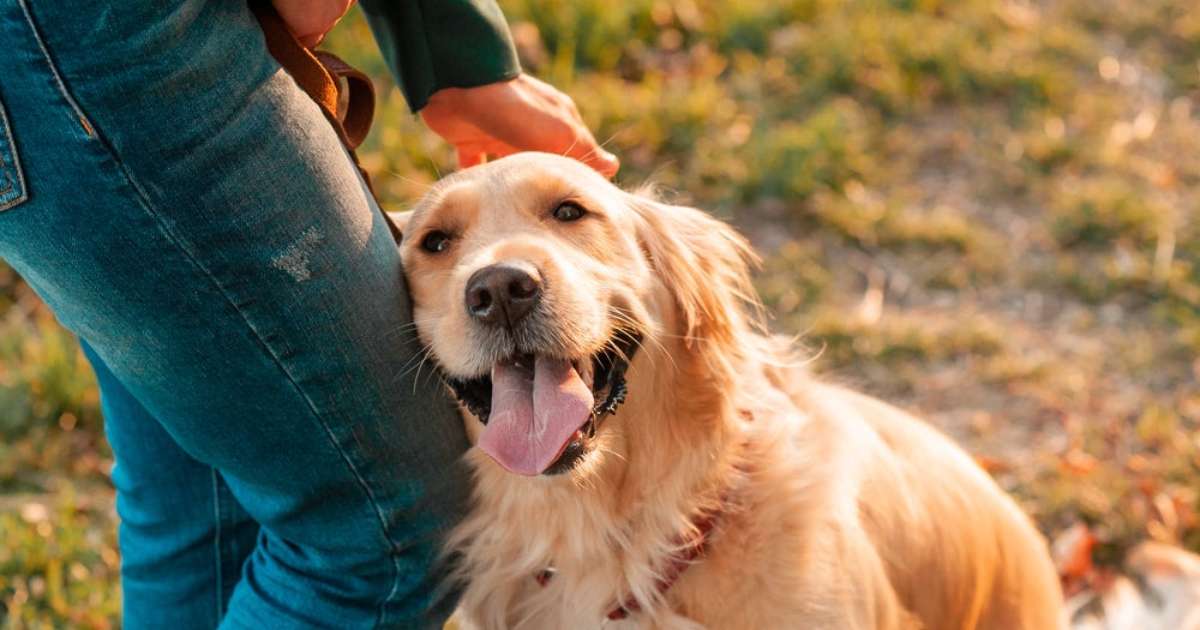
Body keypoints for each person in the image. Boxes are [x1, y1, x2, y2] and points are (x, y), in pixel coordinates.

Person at [0, 0, 617, 627]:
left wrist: (452, 50)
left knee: (207, 501)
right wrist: (450, 41)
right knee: (380, 533)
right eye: (437, 242)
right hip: (93, 45)